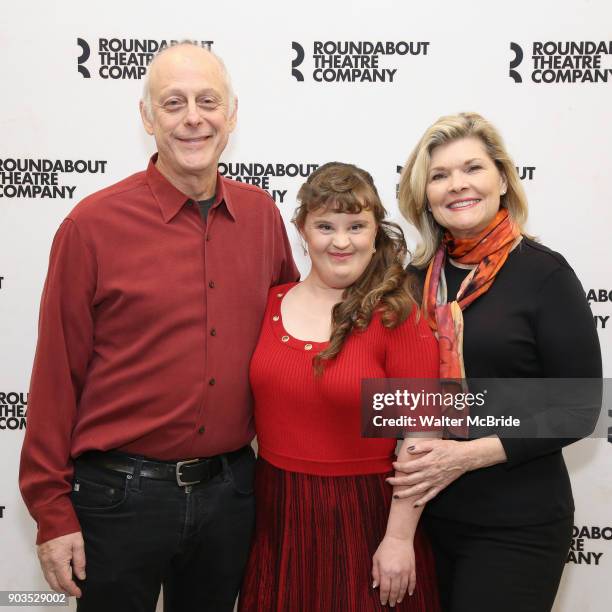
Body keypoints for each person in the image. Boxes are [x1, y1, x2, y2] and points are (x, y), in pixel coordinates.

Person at [19, 42, 299, 612]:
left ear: (232, 114)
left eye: (208, 101)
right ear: (147, 118)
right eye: (173, 103)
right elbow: (56, 376)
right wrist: (51, 513)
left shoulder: (263, 216)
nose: (193, 117)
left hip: (231, 495)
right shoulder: (92, 226)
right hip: (118, 499)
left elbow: (289, 345)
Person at [393, 112, 602, 612]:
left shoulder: (544, 274)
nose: (457, 185)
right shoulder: (415, 279)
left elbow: (580, 406)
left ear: (503, 180)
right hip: (427, 522)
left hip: (516, 526)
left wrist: (465, 455)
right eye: (440, 175)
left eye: (473, 169)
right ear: (425, 194)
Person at [238, 162, 441, 611]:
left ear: (375, 231)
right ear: (302, 230)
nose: (342, 241)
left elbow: (422, 436)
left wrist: (398, 538)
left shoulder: (397, 315)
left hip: (367, 516)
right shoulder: (269, 301)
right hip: (278, 514)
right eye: (325, 225)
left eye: (356, 225)